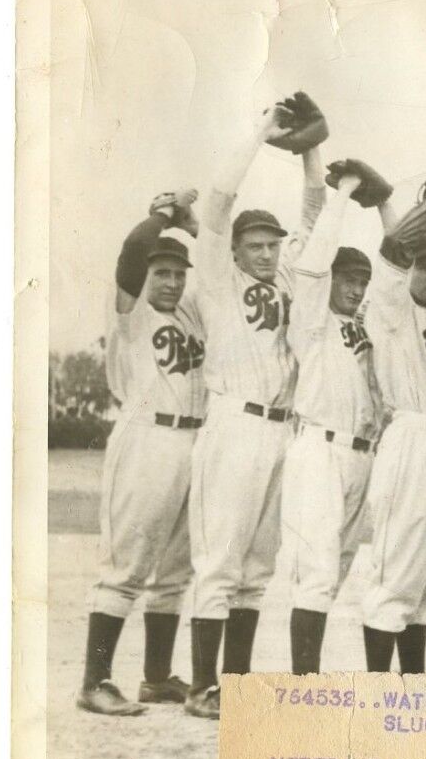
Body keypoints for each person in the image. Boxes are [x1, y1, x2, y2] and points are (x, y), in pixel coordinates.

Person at [183, 105, 320, 718]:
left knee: (259, 566)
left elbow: (315, 214)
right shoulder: (218, 279)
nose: (266, 254)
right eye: (255, 246)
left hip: (281, 428)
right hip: (234, 422)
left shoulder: (287, 278)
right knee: (221, 560)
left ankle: (234, 683)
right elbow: (216, 204)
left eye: (272, 245)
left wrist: (312, 151)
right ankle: (201, 686)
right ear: (235, 251)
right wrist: (261, 134)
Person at [76, 195, 206, 715]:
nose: (171, 282)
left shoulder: (193, 314)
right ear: (145, 277)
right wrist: (168, 214)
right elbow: (133, 248)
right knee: (126, 564)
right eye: (162, 272)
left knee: (176, 569)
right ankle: (95, 679)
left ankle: (155, 676)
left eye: (178, 274)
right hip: (146, 437)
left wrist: (193, 228)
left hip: (194, 440)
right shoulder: (130, 314)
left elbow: (220, 269)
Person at [351, 173, 426, 673]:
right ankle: (379, 692)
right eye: (424, 266)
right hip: (414, 438)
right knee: (397, 573)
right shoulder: (391, 306)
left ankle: (413, 684)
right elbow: (391, 249)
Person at [279, 167, 386, 674]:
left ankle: (309, 675)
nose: (357, 288)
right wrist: (342, 196)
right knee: (317, 570)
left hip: (361, 454)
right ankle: (304, 684)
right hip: (319, 447)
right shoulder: (312, 319)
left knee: (339, 568)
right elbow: (313, 264)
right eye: (349, 279)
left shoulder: (361, 326)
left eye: (362, 281)